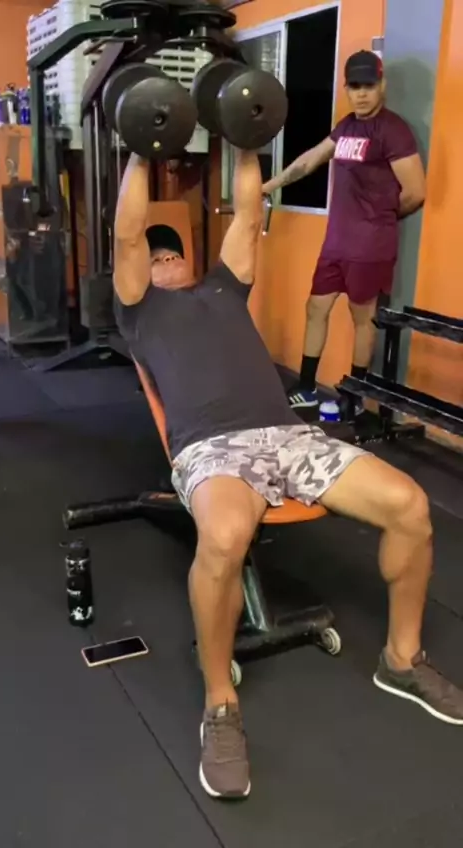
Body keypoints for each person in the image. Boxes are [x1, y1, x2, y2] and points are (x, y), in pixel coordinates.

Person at [113, 146, 462, 802]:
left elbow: (249, 215)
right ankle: (220, 705)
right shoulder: (138, 312)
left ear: (189, 261)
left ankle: (402, 659)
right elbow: (128, 233)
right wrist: (138, 148)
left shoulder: (223, 288)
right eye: (153, 259)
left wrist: (248, 140)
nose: (162, 262)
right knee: (224, 537)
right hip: (213, 449)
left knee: (410, 505)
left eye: (171, 255)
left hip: (290, 437)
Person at [263, 50, 427, 409]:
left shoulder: (393, 130)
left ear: (382, 85)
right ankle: (307, 388)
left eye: (368, 85)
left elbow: (415, 192)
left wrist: (379, 217)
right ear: (347, 89)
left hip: (370, 246)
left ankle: (353, 397)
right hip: (336, 242)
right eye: (354, 86)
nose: (361, 94)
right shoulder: (346, 126)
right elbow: (311, 159)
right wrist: (269, 186)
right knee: (315, 308)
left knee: (362, 319)